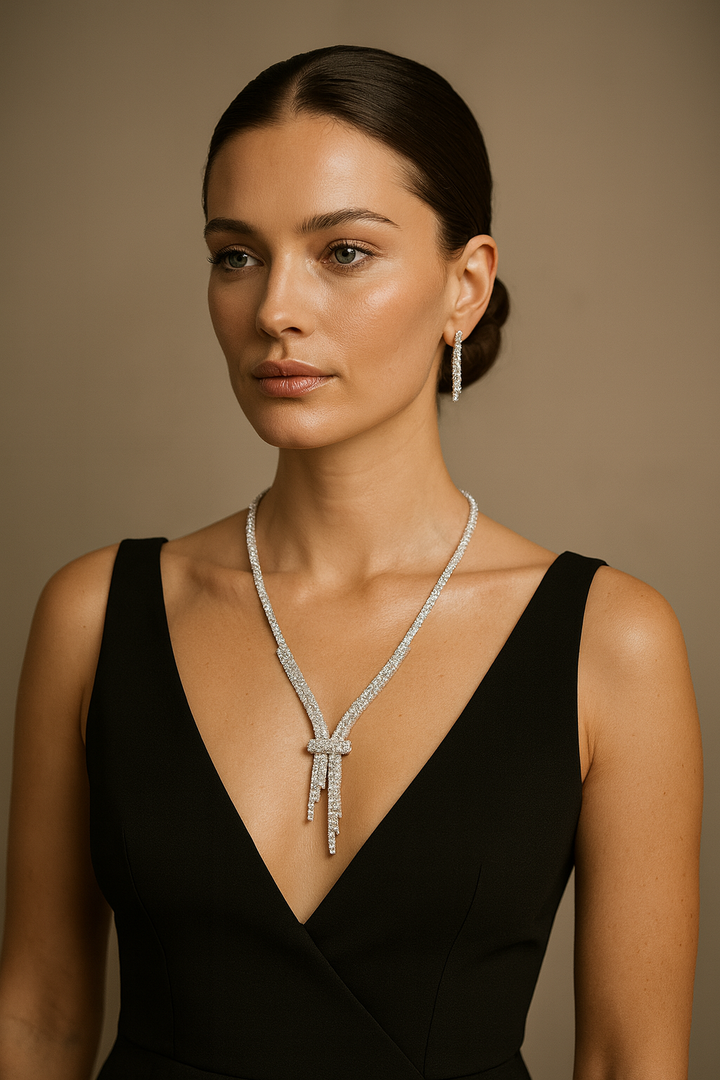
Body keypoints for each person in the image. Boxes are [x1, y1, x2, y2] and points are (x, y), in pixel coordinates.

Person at [0, 45, 702, 1080]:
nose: (276, 307)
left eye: (342, 253)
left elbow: (627, 1060)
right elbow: (43, 1018)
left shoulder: (613, 643)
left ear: (466, 285)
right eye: (236, 254)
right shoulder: (95, 613)